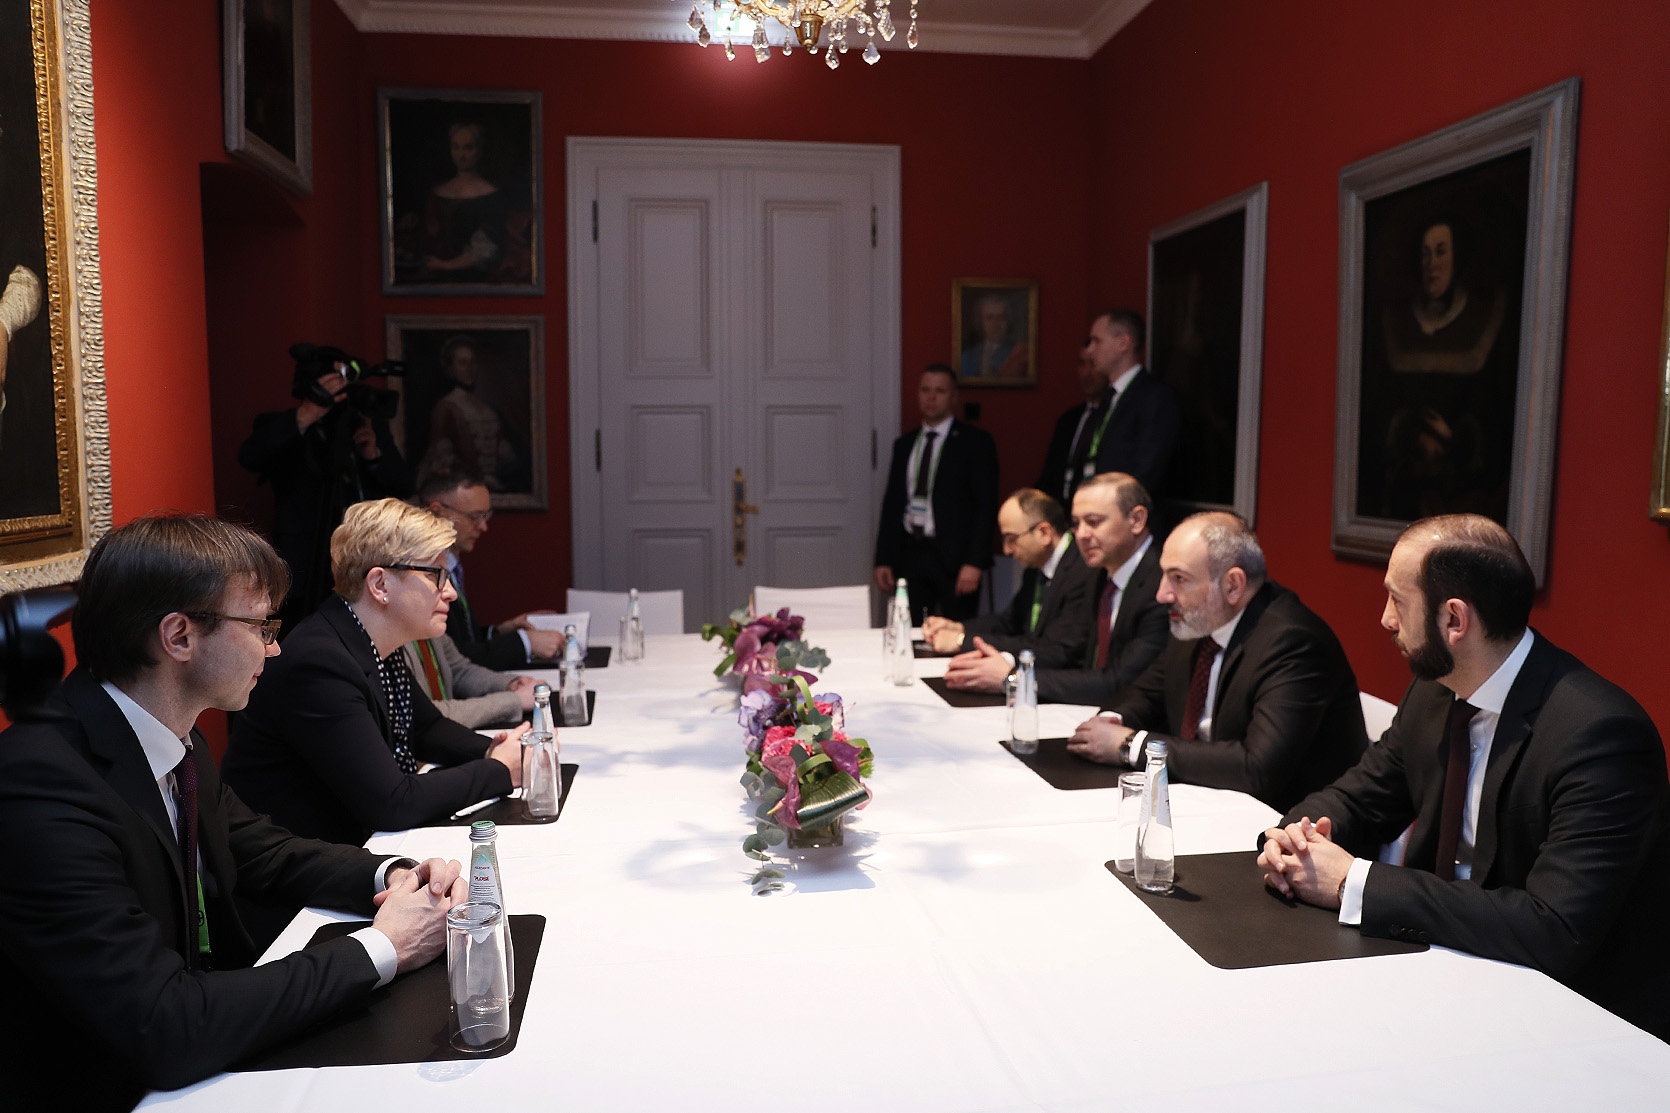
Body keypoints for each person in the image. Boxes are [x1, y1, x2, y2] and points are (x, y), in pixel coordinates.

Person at [0, 514, 466, 1109]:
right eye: (261, 624)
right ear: (179, 636)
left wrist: (395, 874)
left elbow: (264, 851)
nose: (275, 646)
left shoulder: (172, 733)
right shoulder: (40, 784)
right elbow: (164, 1023)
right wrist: (385, 947)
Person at [1257, 515, 1670, 1040]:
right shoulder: (1435, 690)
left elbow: (1554, 927)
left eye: (1397, 601)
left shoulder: (1600, 734)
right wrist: (1294, 839)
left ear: (1454, 619)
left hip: (1574, 1018)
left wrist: (1349, 881)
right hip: (1441, 970)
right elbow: (1360, 797)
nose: (1385, 619)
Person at [225, 498, 523, 848]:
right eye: (435, 574)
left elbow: (426, 729)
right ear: (380, 585)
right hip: (291, 868)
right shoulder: (319, 661)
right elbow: (392, 803)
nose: (451, 593)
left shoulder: (369, 642)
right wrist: (499, 770)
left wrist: (497, 749)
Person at [1067, 511, 1367, 812]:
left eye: (1179, 578)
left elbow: (1256, 768)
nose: (1162, 594)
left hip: (1286, 821)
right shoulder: (1200, 620)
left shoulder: (1294, 643)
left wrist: (1131, 745)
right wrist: (1112, 722)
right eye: (1164, 575)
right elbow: (1147, 692)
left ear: (1233, 585)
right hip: (1206, 800)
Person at [946, 473, 1168, 701]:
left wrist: (1014, 678)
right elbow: (1071, 650)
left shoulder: (1163, 585)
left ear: (1137, 520)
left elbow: (1119, 682)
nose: (1081, 534)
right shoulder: (1100, 573)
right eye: (1077, 523)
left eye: (1093, 522)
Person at [237, 360, 411, 622]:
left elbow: (405, 486)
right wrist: (306, 415)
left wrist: (373, 455)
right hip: (305, 567)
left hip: (364, 563)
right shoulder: (286, 425)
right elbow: (250, 456)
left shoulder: (365, 428)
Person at [873, 364, 999, 624]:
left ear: (954, 397)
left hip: (956, 559)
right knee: (912, 630)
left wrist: (975, 562)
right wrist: (883, 558)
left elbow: (985, 506)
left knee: (957, 631)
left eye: (940, 391)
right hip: (911, 554)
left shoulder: (975, 442)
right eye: (925, 390)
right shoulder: (905, 444)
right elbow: (893, 503)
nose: (931, 397)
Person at [923, 487, 1095, 670]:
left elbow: (1056, 651)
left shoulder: (1082, 570)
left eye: (1012, 539)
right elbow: (1009, 622)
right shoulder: (1036, 566)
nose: (1006, 550)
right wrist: (958, 627)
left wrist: (961, 641)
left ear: (1044, 533)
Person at [418, 468, 566, 667]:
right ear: (437, 512)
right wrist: (525, 643)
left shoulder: (453, 563)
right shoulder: (422, 573)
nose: (483, 527)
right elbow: (452, 660)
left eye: (485, 516)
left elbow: (462, 640)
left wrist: (498, 631)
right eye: (474, 517)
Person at [1076, 308, 1181, 497]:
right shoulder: (1109, 397)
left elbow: (1147, 472)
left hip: (1130, 511)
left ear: (1123, 343)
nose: (1090, 350)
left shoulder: (1155, 397)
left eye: (1097, 341)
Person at [412, 121, 532, 285]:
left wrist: (446, 265)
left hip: (475, 281)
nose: (461, 154)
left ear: (480, 150)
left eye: (468, 148)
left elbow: (485, 249)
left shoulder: (491, 196)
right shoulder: (437, 192)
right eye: (456, 147)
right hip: (434, 280)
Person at [419, 334, 523, 493]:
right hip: (462, 490)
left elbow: (504, 453)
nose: (470, 368)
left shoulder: (488, 408)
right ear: (450, 370)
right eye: (462, 363)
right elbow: (438, 456)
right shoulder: (446, 406)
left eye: (473, 362)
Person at [402, 630, 538, 729]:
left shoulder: (428, 624)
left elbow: (459, 671)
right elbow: (427, 716)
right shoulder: (394, 641)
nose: (450, 599)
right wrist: (513, 700)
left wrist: (509, 684)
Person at [1034, 340, 1111, 506]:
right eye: (1082, 364)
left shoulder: (1115, 418)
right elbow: (1050, 476)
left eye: (1093, 364)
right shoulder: (1068, 420)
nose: (1087, 373)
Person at [960, 292, 1026, 380]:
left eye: (1001, 317)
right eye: (989, 318)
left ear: (1008, 321)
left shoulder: (1020, 353)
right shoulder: (967, 356)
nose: (995, 324)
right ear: (980, 322)